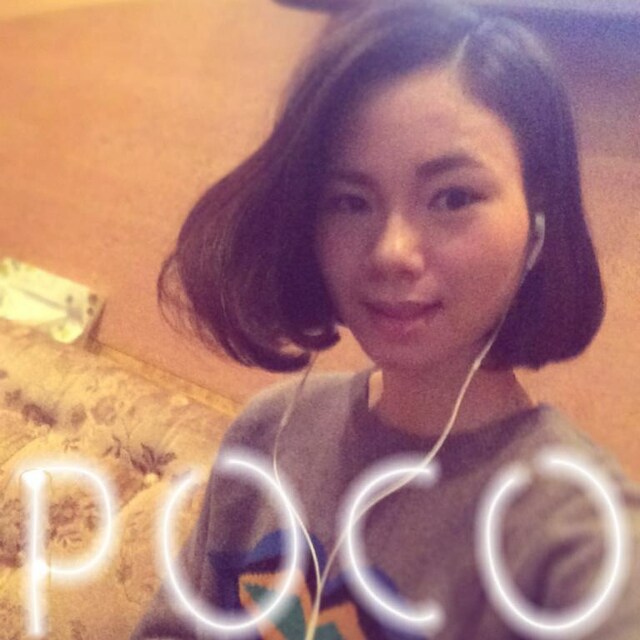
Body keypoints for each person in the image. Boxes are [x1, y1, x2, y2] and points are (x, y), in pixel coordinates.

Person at [132, 0, 640, 638]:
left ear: (538, 225)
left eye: (452, 197)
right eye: (350, 201)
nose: (391, 253)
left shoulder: (579, 541)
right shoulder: (271, 431)